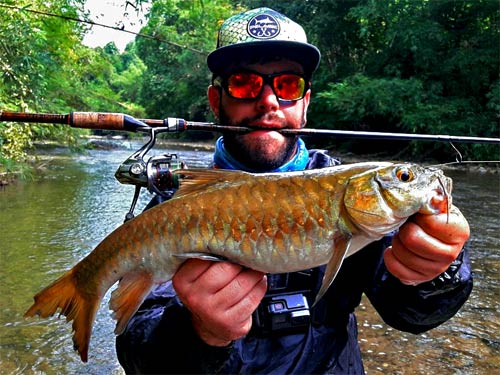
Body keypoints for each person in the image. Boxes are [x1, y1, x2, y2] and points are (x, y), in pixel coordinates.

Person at [116, 7, 472, 374]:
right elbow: (138, 352)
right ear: (215, 101)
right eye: (243, 83)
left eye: (287, 85)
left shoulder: (357, 190)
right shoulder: (177, 201)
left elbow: (410, 313)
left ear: (305, 104)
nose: (268, 101)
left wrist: (438, 271)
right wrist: (197, 332)